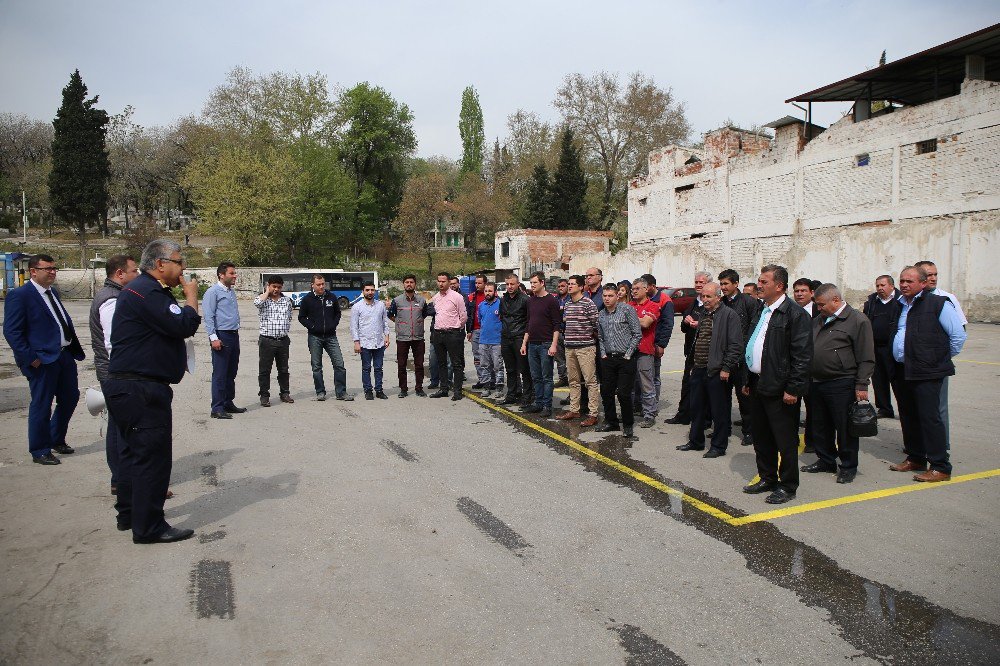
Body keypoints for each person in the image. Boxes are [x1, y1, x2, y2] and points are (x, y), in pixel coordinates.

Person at [104, 239, 201, 543]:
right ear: (160, 264)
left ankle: (130, 515)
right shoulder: (148, 291)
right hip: (141, 388)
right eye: (178, 262)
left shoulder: (141, 290)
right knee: (151, 459)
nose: (182, 268)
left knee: (132, 455)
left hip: (129, 386)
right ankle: (149, 527)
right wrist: (191, 297)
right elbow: (184, 324)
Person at [741, 264, 813, 505]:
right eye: (759, 281)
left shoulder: (795, 314)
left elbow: (802, 356)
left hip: (780, 386)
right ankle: (767, 477)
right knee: (762, 436)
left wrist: (793, 389)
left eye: (764, 282)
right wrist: (748, 379)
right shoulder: (762, 310)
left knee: (785, 439)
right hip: (758, 383)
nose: (759, 285)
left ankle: (788, 485)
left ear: (779, 286)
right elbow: (753, 345)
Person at [3, 253, 85, 465]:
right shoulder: (21, 295)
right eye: (47, 268)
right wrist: (30, 358)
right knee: (42, 404)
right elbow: (12, 332)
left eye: (54, 268)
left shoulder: (53, 293)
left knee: (70, 397)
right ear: (33, 271)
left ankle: (56, 438)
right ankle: (40, 449)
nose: (52, 272)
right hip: (42, 360)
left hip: (64, 355)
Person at [888, 266, 966, 482]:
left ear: (923, 284)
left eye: (909, 281)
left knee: (929, 418)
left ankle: (940, 465)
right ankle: (916, 458)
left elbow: (957, 336)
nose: (904, 285)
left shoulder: (939, 304)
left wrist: (938, 358)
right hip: (903, 369)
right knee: (908, 415)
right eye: (902, 281)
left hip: (927, 370)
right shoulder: (899, 305)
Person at [802, 284, 875, 484]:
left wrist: (861, 384)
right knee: (820, 425)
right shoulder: (817, 320)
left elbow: (866, 356)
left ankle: (848, 465)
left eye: (821, 305)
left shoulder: (857, 321)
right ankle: (825, 459)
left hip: (841, 382)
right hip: (816, 381)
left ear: (835, 300)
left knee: (844, 428)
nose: (819, 308)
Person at [89, 254, 140, 487]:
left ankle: (121, 478)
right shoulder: (112, 300)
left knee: (118, 425)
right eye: (134, 271)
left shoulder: (116, 296)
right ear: (120, 274)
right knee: (123, 428)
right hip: (116, 372)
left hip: (115, 371)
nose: (137, 275)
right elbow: (113, 343)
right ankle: (123, 479)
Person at [677, 282, 742, 457]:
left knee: (718, 410)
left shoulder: (729, 315)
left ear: (718, 297)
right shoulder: (704, 314)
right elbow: (699, 341)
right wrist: (693, 365)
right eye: (703, 296)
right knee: (697, 407)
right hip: (699, 368)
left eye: (708, 296)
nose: (704, 300)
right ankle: (696, 441)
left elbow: (735, 345)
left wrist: (726, 368)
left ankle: (719, 446)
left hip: (717, 370)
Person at [915, 259, 967, 451]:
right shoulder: (907, 300)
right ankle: (919, 445)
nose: (933, 278)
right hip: (914, 365)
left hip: (934, 365)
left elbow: (958, 334)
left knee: (939, 408)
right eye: (929, 275)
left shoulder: (945, 299)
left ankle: (940, 445)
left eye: (935, 274)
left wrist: (941, 357)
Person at [719, 268, 761, 447]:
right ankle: (723, 429)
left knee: (744, 396)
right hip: (724, 357)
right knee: (722, 397)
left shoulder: (748, 302)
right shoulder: (721, 303)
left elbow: (754, 328)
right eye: (721, 284)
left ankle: (749, 431)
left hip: (742, 359)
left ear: (736, 284)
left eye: (726, 283)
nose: (723, 287)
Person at [596, 283, 642, 437]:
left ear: (617, 296)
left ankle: (628, 424)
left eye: (610, 296)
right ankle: (611, 422)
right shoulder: (601, 314)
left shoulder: (627, 310)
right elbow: (600, 337)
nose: (607, 299)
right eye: (605, 296)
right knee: (606, 392)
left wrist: (628, 354)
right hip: (608, 358)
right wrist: (603, 353)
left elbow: (637, 333)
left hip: (625, 358)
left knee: (623, 393)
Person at [666, 270, 711, 425]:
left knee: (705, 386)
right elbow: (684, 327)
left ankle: (705, 419)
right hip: (691, 351)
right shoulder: (694, 302)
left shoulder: (715, 304)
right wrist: (686, 322)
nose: (698, 285)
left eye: (702, 282)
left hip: (707, 353)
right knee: (687, 384)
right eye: (696, 282)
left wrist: (700, 324)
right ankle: (684, 414)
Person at [298, 274, 352, 401]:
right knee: (317, 366)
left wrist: (333, 324)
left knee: (339, 364)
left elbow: (337, 313)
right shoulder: (307, 299)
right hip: (315, 337)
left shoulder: (331, 297)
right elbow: (301, 317)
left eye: (323, 284)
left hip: (331, 336)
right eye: (319, 284)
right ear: (313, 285)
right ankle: (320, 392)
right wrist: (312, 326)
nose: (322, 286)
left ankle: (341, 392)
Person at [555, 275, 600, 426]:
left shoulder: (588, 303)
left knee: (590, 381)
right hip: (570, 348)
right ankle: (574, 410)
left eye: (573, 284)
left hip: (585, 348)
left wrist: (588, 338)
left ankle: (593, 414)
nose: (569, 286)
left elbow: (596, 325)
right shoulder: (567, 304)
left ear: (581, 287)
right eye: (569, 283)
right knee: (573, 381)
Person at [203, 262, 243, 419]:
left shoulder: (230, 292)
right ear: (221, 275)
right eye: (232, 273)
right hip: (222, 335)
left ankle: (228, 402)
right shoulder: (213, 292)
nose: (235, 276)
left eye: (235, 273)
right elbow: (208, 316)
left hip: (233, 334)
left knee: (231, 372)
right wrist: (213, 338)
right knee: (220, 373)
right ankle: (217, 407)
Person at [519, 271, 561, 416]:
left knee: (547, 377)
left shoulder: (551, 300)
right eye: (531, 283)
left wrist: (554, 345)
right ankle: (538, 402)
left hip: (546, 343)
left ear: (542, 283)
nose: (532, 285)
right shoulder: (530, 301)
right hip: (532, 344)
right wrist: (524, 343)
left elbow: (557, 324)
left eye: (535, 283)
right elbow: (528, 323)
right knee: (535, 376)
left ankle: (547, 406)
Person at [862, 275, 902, 419]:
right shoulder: (872, 301)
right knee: (879, 380)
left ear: (891, 286)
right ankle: (884, 408)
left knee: (897, 380)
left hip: (892, 347)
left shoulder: (900, 300)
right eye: (877, 285)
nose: (880, 288)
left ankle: (904, 409)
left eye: (883, 285)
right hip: (875, 347)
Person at [254, 275, 294, 407]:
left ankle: (285, 393)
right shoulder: (263, 299)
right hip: (267, 340)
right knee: (265, 370)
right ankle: (264, 395)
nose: (276, 289)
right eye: (274, 286)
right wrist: (266, 293)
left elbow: (289, 317)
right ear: (268, 286)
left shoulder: (286, 301)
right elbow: (257, 303)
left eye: (279, 287)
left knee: (283, 369)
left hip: (282, 341)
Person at [388, 274, 429, 398]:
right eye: (407, 282)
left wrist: (416, 323)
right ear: (403, 284)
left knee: (419, 364)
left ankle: (419, 388)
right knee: (402, 364)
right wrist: (400, 323)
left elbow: (424, 314)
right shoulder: (397, 300)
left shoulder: (421, 300)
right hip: (402, 338)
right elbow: (390, 314)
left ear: (415, 284)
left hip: (418, 337)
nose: (409, 284)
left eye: (411, 282)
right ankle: (403, 389)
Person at [430, 272, 468, 400]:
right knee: (441, 363)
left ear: (448, 282)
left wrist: (457, 327)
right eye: (439, 281)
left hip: (453, 333)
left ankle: (457, 391)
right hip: (438, 333)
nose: (441, 284)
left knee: (456, 363)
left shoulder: (457, 297)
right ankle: (444, 389)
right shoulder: (435, 298)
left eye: (443, 281)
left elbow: (463, 316)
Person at [629, 278, 661, 428]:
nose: (633, 291)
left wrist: (628, 318)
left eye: (637, 288)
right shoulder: (629, 305)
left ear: (646, 289)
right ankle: (629, 412)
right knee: (629, 385)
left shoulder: (653, 306)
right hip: (628, 351)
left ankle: (649, 414)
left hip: (644, 350)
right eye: (633, 288)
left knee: (647, 384)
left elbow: (645, 323)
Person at [350, 282, 390, 400]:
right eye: (367, 290)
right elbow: (354, 326)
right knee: (366, 368)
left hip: (378, 342)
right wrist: (356, 342)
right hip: (364, 343)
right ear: (363, 292)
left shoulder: (380, 305)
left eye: (372, 290)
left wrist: (387, 336)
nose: (370, 292)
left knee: (378, 368)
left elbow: (384, 322)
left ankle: (379, 390)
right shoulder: (357, 307)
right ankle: (368, 390)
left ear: (375, 291)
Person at [499, 274, 532, 405]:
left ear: (518, 284)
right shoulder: (503, 299)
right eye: (507, 284)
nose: (509, 287)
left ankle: (527, 396)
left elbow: (528, 320)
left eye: (512, 284)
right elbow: (502, 316)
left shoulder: (525, 299)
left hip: (519, 337)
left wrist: (524, 339)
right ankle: (511, 395)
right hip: (506, 337)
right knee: (510, 369)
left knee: (524, 369)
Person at [643, 273, 675, 407]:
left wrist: (661, 344)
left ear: (652, 286)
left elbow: (668, 324)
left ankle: (653, 404)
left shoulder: (664, 300)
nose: (643, 289)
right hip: (644, 343)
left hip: (655, 343)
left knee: (654, 375)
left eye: (645, 287)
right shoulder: (644, 298)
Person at [475, 282, 505, 398]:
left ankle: (499, 388)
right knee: (484, 365)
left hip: (497, 341)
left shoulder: (500, 304)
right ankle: (486, 387)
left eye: (490, 291)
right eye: (486, 291)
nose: (488, 293)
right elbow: (480, 319)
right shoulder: (481, 306)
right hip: (483, 341)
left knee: (498, 366)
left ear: (495, 292)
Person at [466, 274, 488, 389]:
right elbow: (469, 315)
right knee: (477, 357)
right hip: (475, 330)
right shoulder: (472, 297)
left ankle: (491, 380)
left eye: (479, 283)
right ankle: (482, 379)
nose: (477, 285)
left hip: (487, 331)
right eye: (476, 283)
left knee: (488, 357)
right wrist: (469, 330)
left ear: (485, 283)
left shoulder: (490, 296)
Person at [553, 278, 570, 387]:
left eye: (563, 286)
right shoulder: (555, 300)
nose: (560, 288)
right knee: (559, 358)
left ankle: (570, 379)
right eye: (559, 286)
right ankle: (562, 378)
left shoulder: (571, 299)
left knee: (569, 358)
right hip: (558, 332)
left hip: (568, 332)